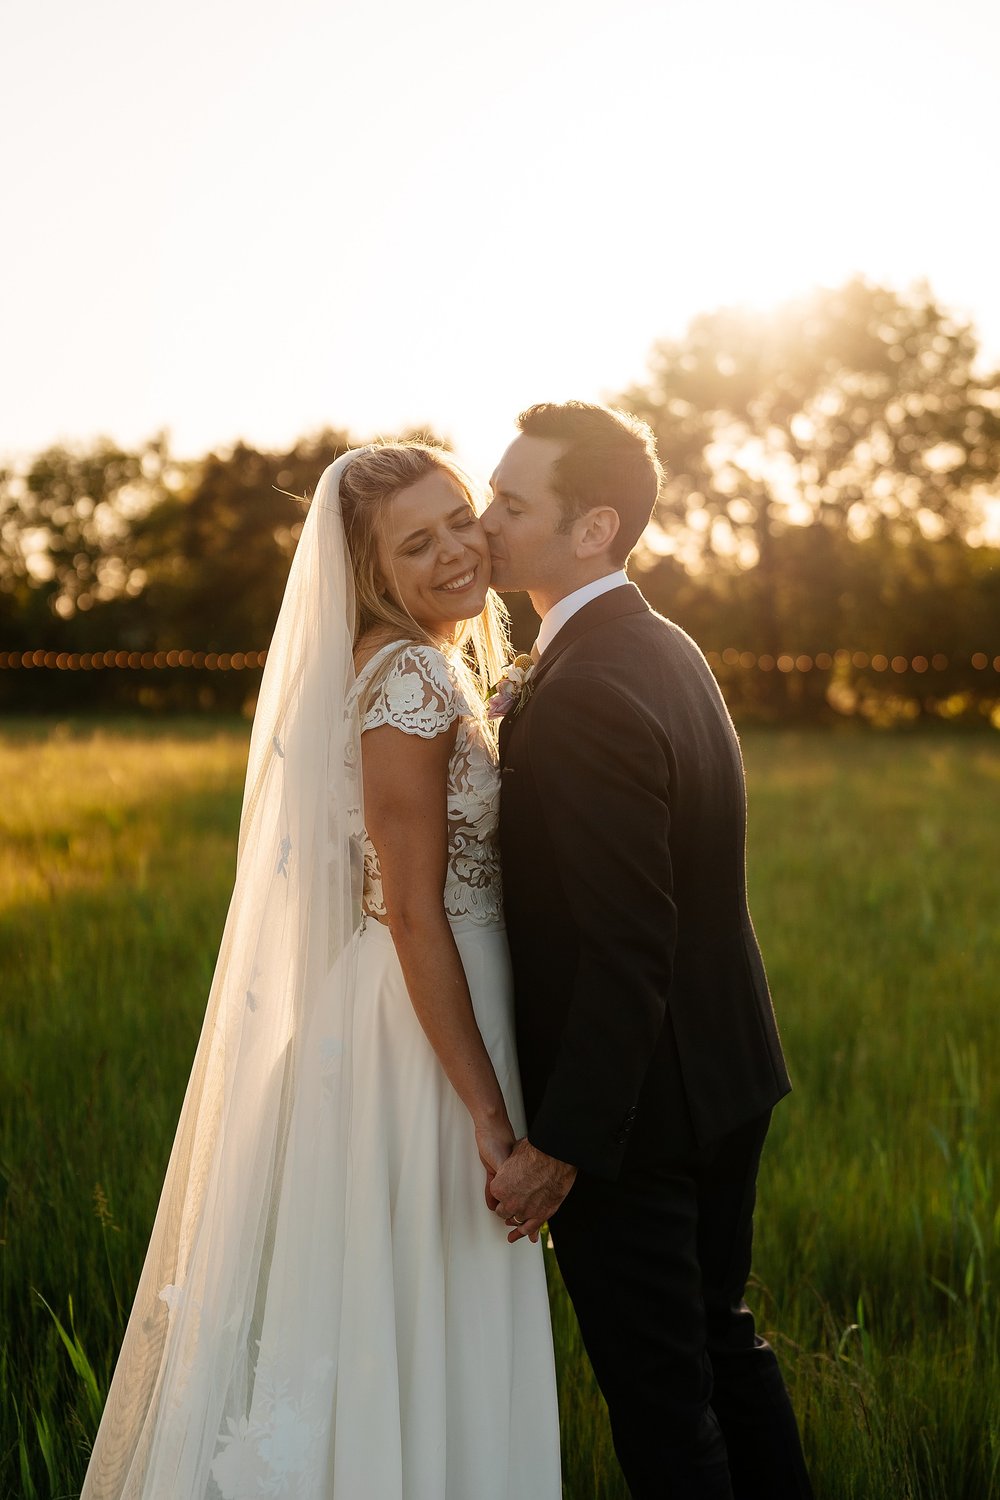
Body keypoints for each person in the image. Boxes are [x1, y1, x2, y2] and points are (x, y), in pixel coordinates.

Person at [80, 443, 561, 1500]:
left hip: (432, 1013)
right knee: (427, 1292)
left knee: (408, 1301)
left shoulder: (416, 663)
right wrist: (484, 1111)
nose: (453, 551)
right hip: (428, 1036)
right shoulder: (410, 678)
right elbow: (410, 913)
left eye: (458, 518)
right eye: (414, 542)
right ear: (371, 571)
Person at [484, 402, 812, 1500]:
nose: (486, 522)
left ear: (593, 529)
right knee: (721, 1346)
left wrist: (565, 1144)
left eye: (512, 503)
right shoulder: (659, 645)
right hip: (723, 1072)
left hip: (638, 1112)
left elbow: (630, 942)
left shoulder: (582, 691)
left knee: (665, 1403)